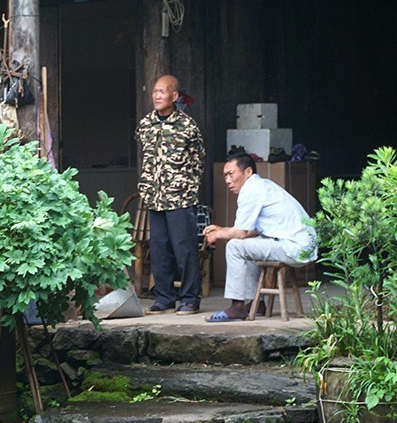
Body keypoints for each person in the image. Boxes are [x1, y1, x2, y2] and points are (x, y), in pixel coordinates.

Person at [202, 152, 317, 321]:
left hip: (295, 247)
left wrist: (218, 234)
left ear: (247, 172)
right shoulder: (262, 186)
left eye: (231, 174)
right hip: (299, 245)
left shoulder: (251, 189)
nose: (227, 180)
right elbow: (250, 231)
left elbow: (240, 232)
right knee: (244, 244)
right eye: (225, 175)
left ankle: (237, 307)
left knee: (235, 246)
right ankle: (257, 303)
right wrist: (222, 229)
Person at [135, 74, 205, 315]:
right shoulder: (145, 124)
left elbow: (198, 161)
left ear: (174, 96)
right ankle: (164, 297)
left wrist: (188, 189)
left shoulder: (187, 126)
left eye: (162, 91)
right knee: (159, 249)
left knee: (184, 249)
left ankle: (189, 299)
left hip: (180, 198)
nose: (156, 95)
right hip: (154, 198)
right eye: (155, 91)